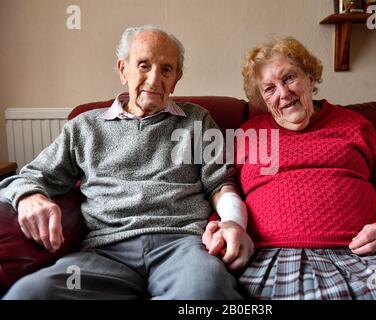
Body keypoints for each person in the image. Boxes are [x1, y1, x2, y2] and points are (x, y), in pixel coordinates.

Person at [0, 25, 253, 300]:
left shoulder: (197, 120)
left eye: (166, 69)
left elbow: (221, 184)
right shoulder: (84, 127)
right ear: (123, 70)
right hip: (105, 252)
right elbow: (28, 176)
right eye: (143, 65)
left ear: (177, 78)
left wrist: (233, 223)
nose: (154, 79)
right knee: (29, 294)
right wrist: (29, 196)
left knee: (206, 290)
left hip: (182, 246)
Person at [203, 36, 376, 299]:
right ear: (263, 100)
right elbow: (225, 193)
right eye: (269, 89)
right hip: (274, 257)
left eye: (289, 78)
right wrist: (221, 228)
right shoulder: (248, 135)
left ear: (310, 78)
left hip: (362, 254)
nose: (283, 94)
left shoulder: (355, 125)